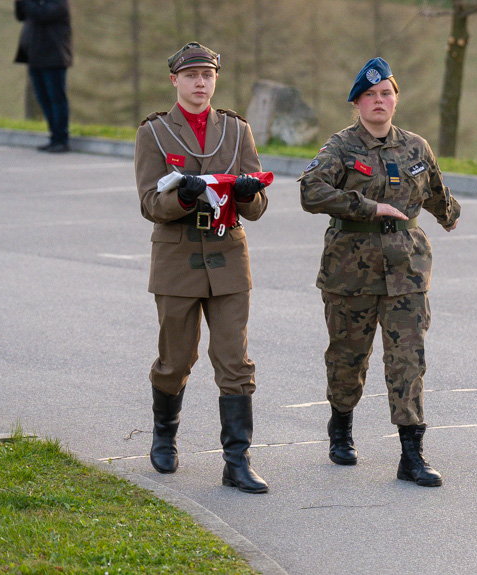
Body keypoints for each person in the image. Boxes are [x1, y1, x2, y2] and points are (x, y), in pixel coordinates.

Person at [299, 57, 461, 487]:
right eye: (369, 95)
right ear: (356, 103)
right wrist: (368, 207)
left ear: (395, 99)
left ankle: (412, 453)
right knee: (349, 356)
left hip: (406, 271)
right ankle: (341, 427)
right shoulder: (340, 147)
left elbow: (436, 190)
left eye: (385, 93)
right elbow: (310, 191)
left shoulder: (415, 147)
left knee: (408, 359)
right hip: (350, 270)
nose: (378, 101)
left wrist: (448, 215)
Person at [134, 42, 270, 494]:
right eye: (191, 75)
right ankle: (165, 436)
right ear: (174, 80)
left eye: (207, 76)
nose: (200, 83)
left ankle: (237, 461)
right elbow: (151, 204)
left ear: (215, 80)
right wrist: (186, 195)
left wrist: (249, 193)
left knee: (235, 361)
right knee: (176, 359)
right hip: (177, 258)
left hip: (228, 256)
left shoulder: (236, 130)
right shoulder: (154, 133)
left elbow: (257, 206)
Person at [14, 0, 73, 153]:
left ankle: (61, 139)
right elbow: (21, 16)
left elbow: (42, 15)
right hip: (35, 58)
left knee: (57, 99)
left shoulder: (59, 3)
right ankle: (54, 136)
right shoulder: (37, 3)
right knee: (44, 99)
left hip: (54, 58)